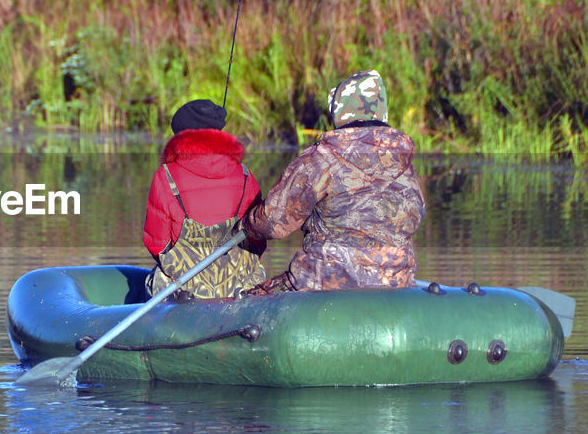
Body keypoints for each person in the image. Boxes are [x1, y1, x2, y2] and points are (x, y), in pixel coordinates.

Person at [242, 70, 425, 293]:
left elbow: (272, 223)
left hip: (323, 285)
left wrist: (246, 225)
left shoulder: (320, 159)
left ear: (339, 111)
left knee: (254, 295)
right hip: (396, 285)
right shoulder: (407, 164)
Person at [142, 98, 267, 299]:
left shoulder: (165, 177)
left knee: (151, 281)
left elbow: (156, 244)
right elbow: (258, 236)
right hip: (240, 288)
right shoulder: (244, 175)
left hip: (185, 291)